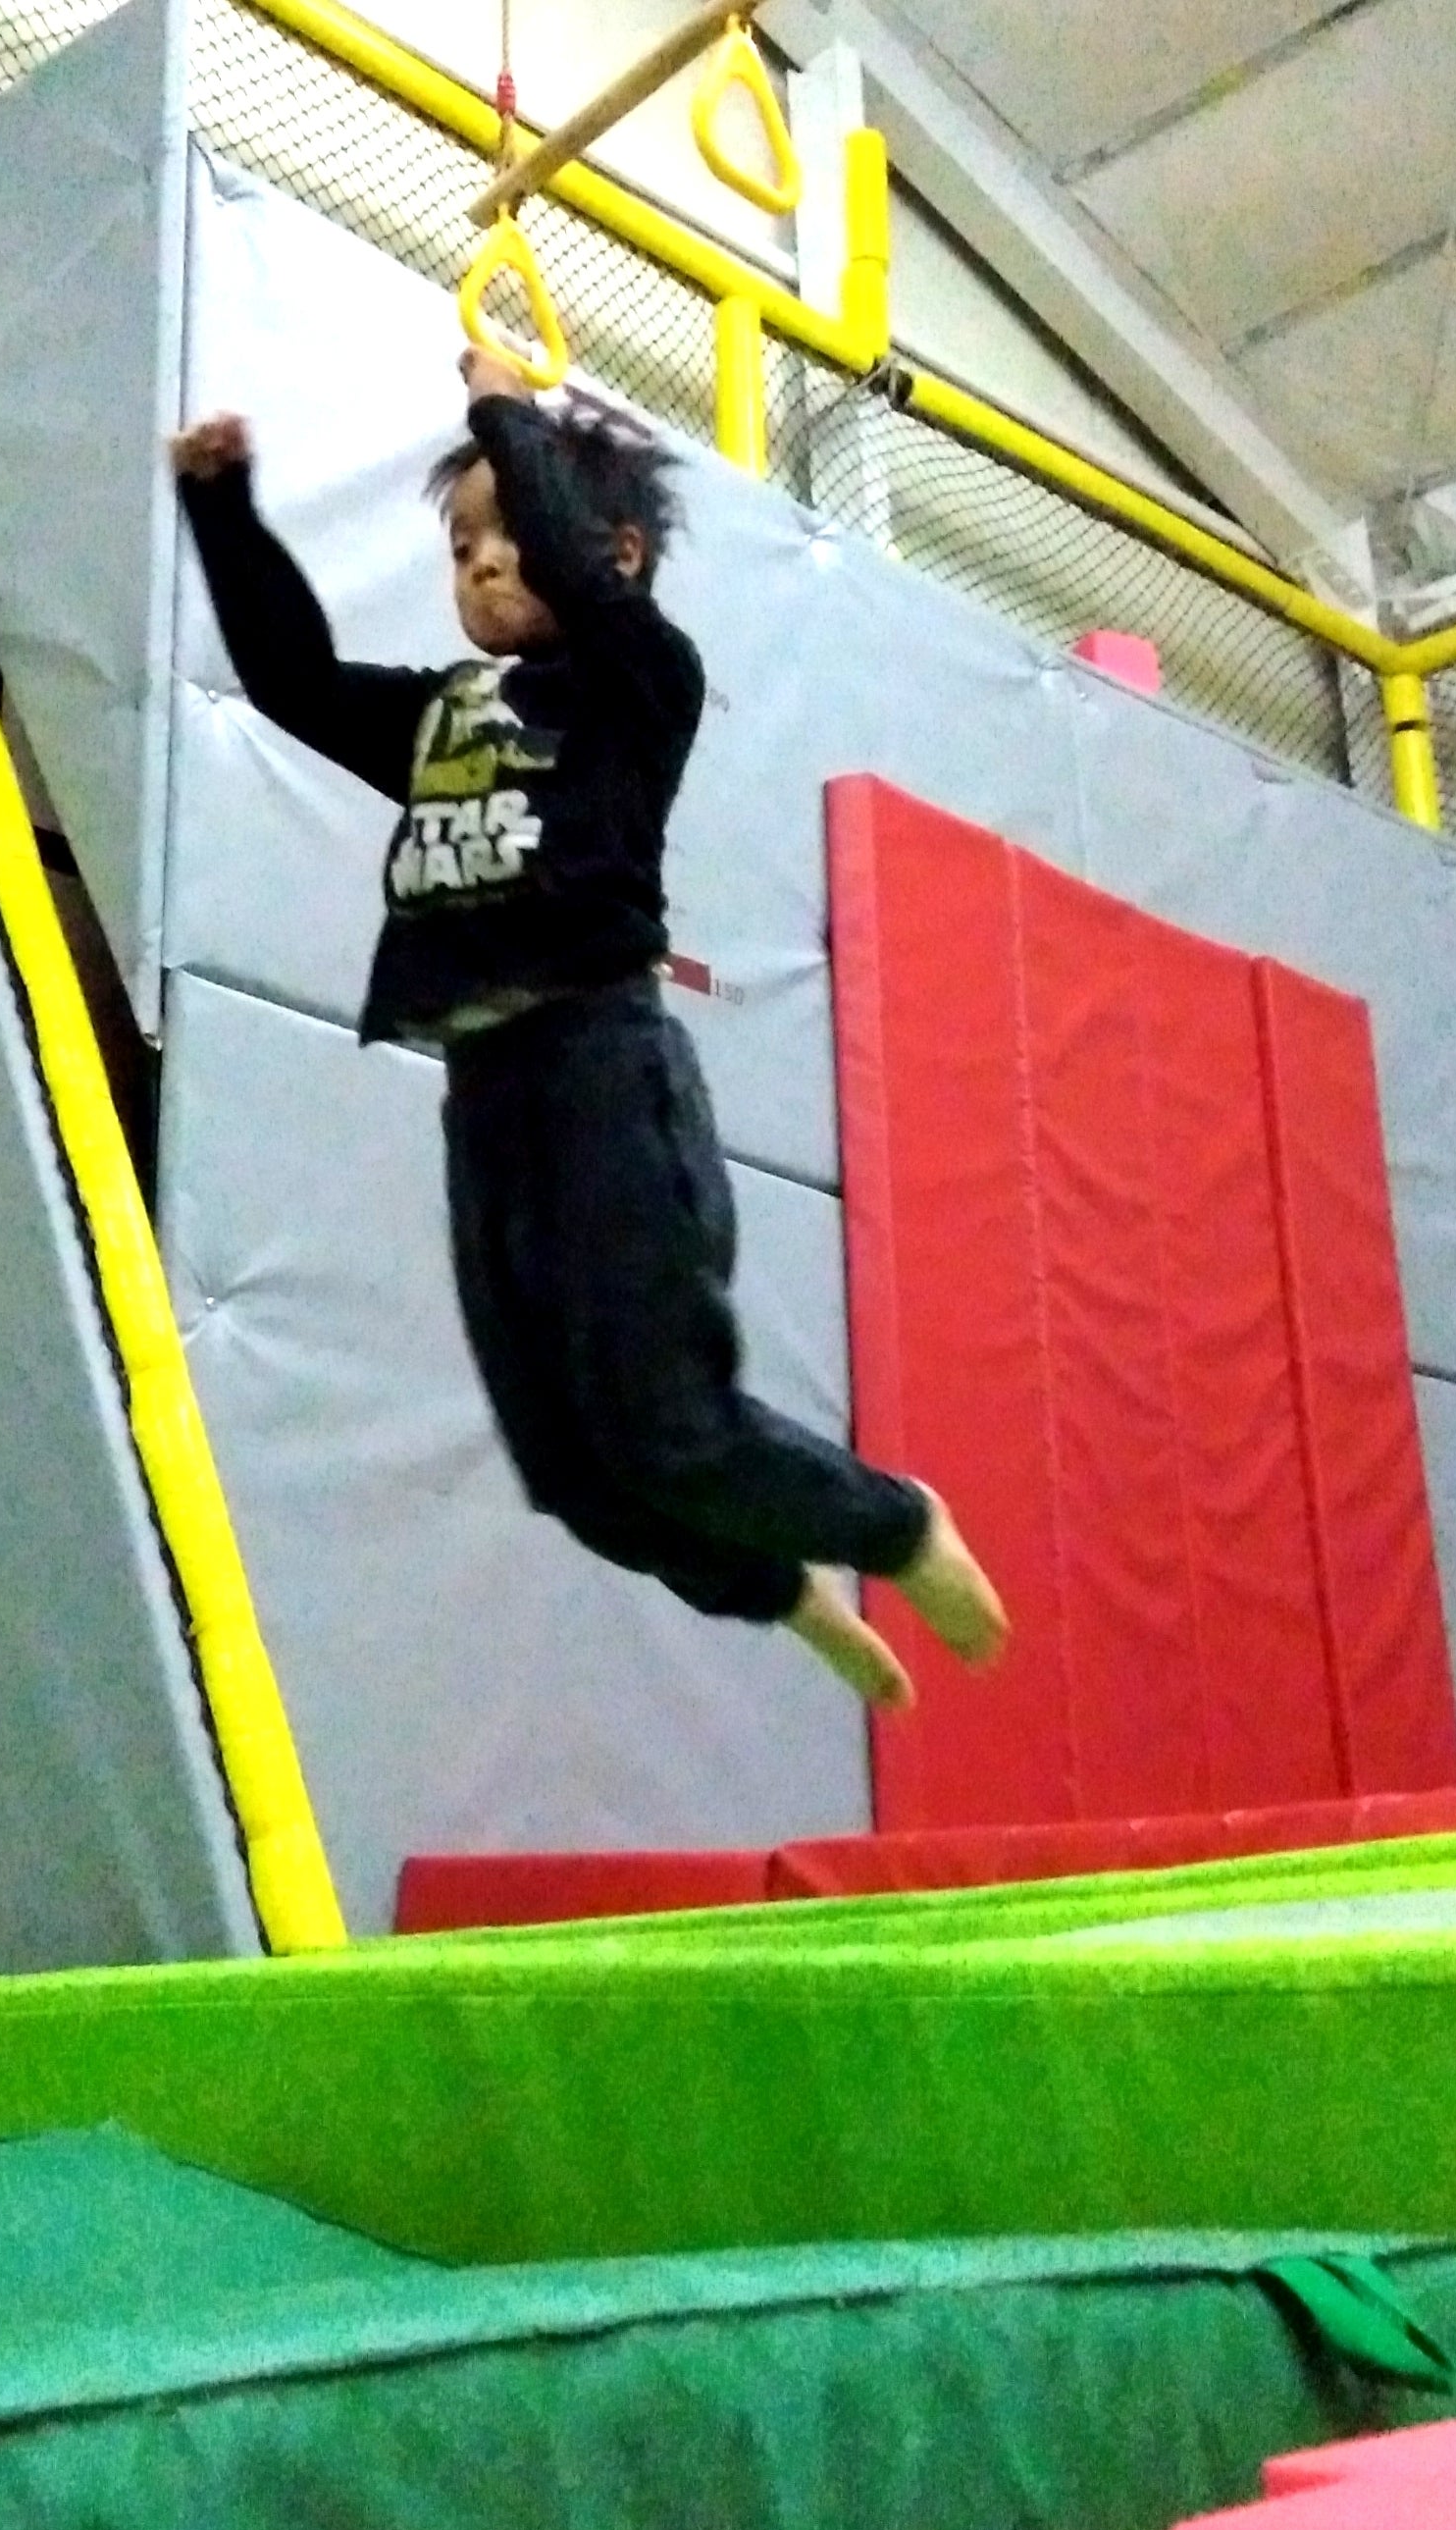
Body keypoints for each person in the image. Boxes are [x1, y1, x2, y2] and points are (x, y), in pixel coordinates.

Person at [169, 351, 1005, 1708]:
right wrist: (224, 510)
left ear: (607, 554)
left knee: (669, 1427)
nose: (483, 564)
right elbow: (293, 679)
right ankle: (777, 1589)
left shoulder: (640, 683)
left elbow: (573, 561)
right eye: (460, 548)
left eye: (508, 533)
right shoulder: (445, 716)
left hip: (603, 1073)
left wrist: (507, 410)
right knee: (570, 1474)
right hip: (485, 1097)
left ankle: (895, 1527)